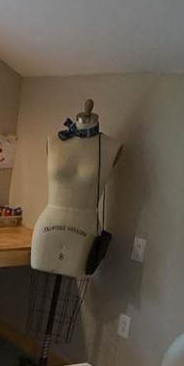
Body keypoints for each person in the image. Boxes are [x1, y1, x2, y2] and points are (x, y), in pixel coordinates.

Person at [30, 100, 123, 278]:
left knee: (71, 301)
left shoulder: (111, 147)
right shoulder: (54, 140)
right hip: (47, 228)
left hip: (84, 232)